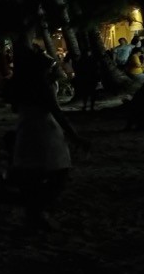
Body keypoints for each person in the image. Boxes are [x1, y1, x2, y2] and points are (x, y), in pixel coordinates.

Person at [9, 49, 87, 230]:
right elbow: (57, 112)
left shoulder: (20, 86)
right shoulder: (43, 86)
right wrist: (75, 136)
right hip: (45, 131)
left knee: (31, 174)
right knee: (58, 173)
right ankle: (37, 212)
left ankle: (33, 214)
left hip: (25, 129)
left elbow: (15, 107)